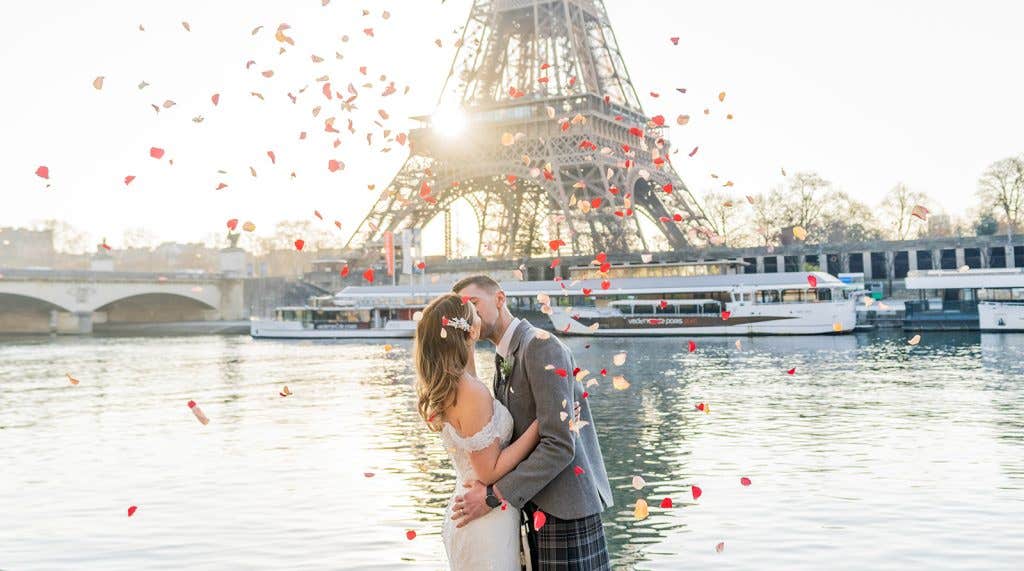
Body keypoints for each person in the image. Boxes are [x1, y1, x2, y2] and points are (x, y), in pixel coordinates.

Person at [451, 275, 613, 570]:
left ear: (500, 299)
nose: (470, 316)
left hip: (564, 509)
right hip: (534, 508)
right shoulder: (505, 357)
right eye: (464, 310)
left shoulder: (540, 345)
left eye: (474, 304)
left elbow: (560, 444)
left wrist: (492, 496)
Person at [414, 293, 541, 570]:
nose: (480, 318)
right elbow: (488, 472)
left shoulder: (455, 383)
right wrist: (540, 426)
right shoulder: (469, 392)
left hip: (470, 508)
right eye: (475, 314)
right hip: (483, 519)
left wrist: (467, 337)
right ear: (469, 330)